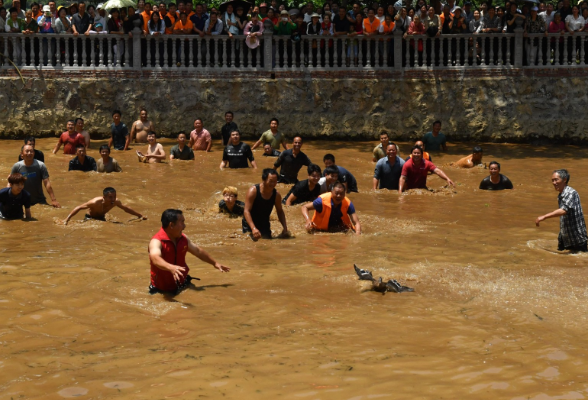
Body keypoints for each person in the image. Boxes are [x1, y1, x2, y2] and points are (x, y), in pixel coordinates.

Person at [536, 169, 587, 252]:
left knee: (579, 262)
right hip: (565, 236)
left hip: (577, 238)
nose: (554, 183)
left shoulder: (570, 193)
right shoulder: (561, 194)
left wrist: (544, 217)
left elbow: (564, 210)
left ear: (565, 180)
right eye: (552, 180)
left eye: (556, 180)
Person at [242, 168, 289, 241]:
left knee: (267, 243)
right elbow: (246, 211)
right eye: (270, 181)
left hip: (264, 223)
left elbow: (280, 211)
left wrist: (285, 227)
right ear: (264, 180)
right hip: (249, 223)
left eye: (275, 181)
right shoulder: (253, 191)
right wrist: (253, 228)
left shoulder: (276, 195)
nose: (273, 184)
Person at [65, 186, 147, 224]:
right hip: (90, 218)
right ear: (104, 197)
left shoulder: (116, 202)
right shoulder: (95, 202)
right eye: (110, 197)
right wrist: (66, 219)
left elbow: (126, 208)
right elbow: (79, 207)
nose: (113, 199)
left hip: (101, 218)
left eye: (114, 197)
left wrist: (140, 215)